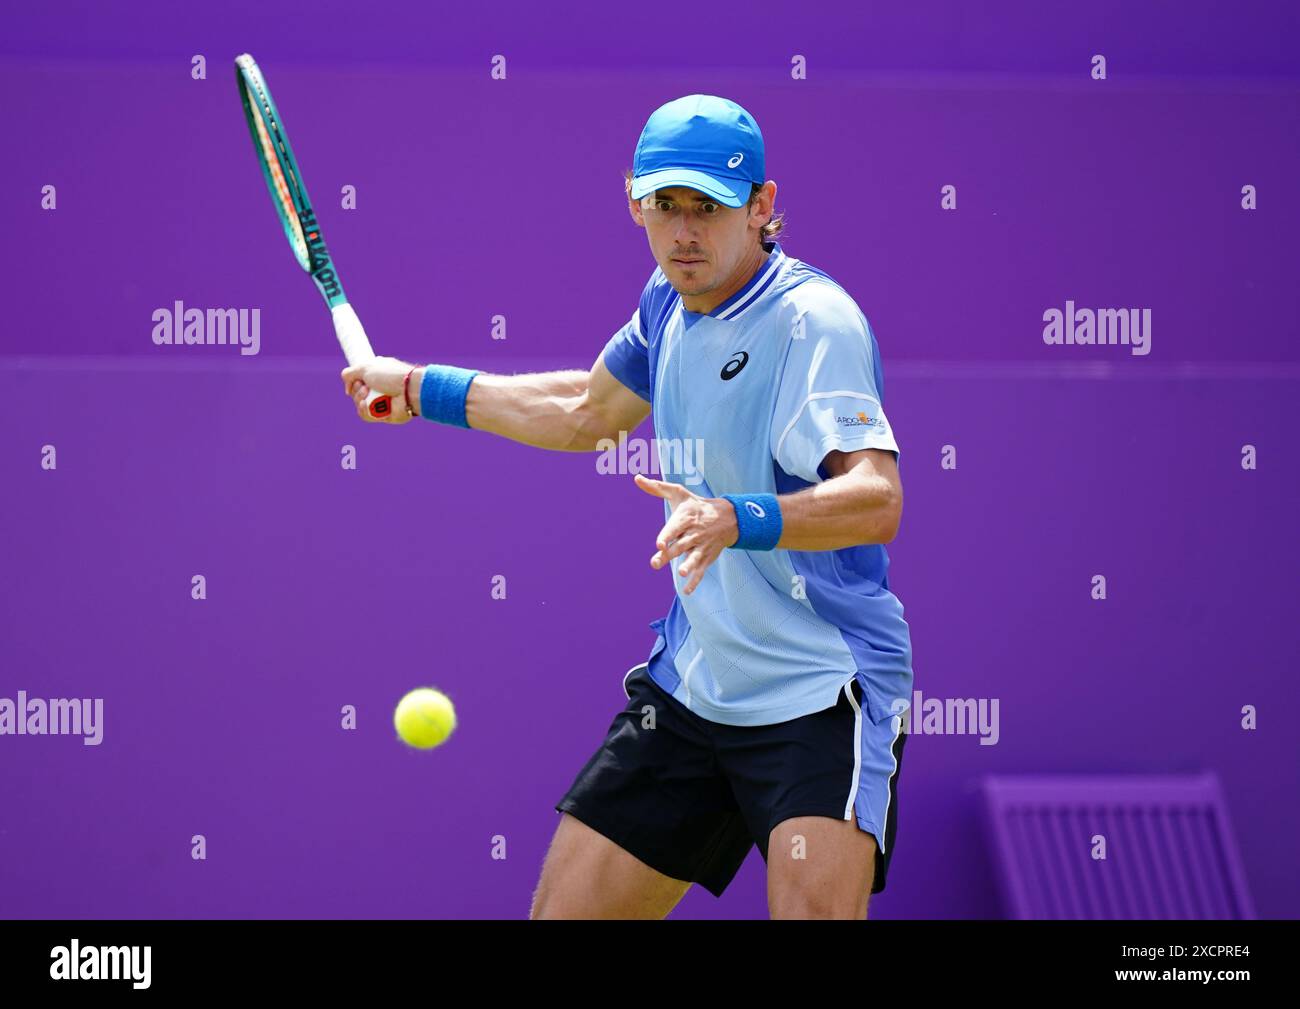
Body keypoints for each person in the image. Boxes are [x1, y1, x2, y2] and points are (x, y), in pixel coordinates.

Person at [341, 94, 913, 920]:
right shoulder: (666, 300)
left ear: (762, 207)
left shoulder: (811, 322)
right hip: (697, 688)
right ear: (636, 203)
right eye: (664, 206)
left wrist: (736, 518)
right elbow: (589, 411)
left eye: (708, 208)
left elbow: (877, 499)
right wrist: (424, 388)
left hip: (821, 696)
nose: (684, 231)